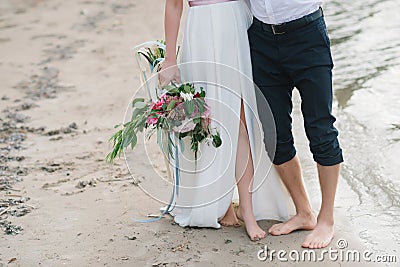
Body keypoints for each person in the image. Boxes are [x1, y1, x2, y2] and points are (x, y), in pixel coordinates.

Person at [159, 0, 294, 241]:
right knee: (208, 119)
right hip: (201, 28)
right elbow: (173, 5)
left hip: (234, 26)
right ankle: (223, 206)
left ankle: (248, 210)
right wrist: (170, 58)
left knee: (240, 119)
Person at [247, 0, 344, 248]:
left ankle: (326, 219)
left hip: (307, 34)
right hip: (260, 39)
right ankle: (304, 212)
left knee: (321, 129)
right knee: (275, 135)